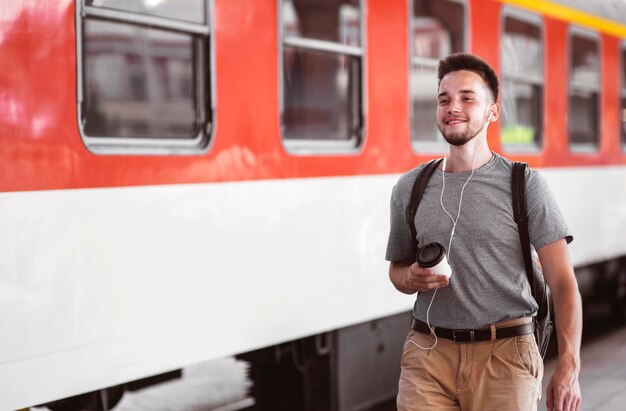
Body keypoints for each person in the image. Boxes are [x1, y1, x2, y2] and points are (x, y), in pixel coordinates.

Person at [385, 53, 582, 411]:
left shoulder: (524, 185)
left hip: (506, 355)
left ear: (493, 111)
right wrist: (411, 277)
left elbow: (563, 281)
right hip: (428, 354)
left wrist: (569, 365)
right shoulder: (410, 188)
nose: (452, 107)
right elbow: (396, 272)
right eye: (444, 99)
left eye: (467, 98)